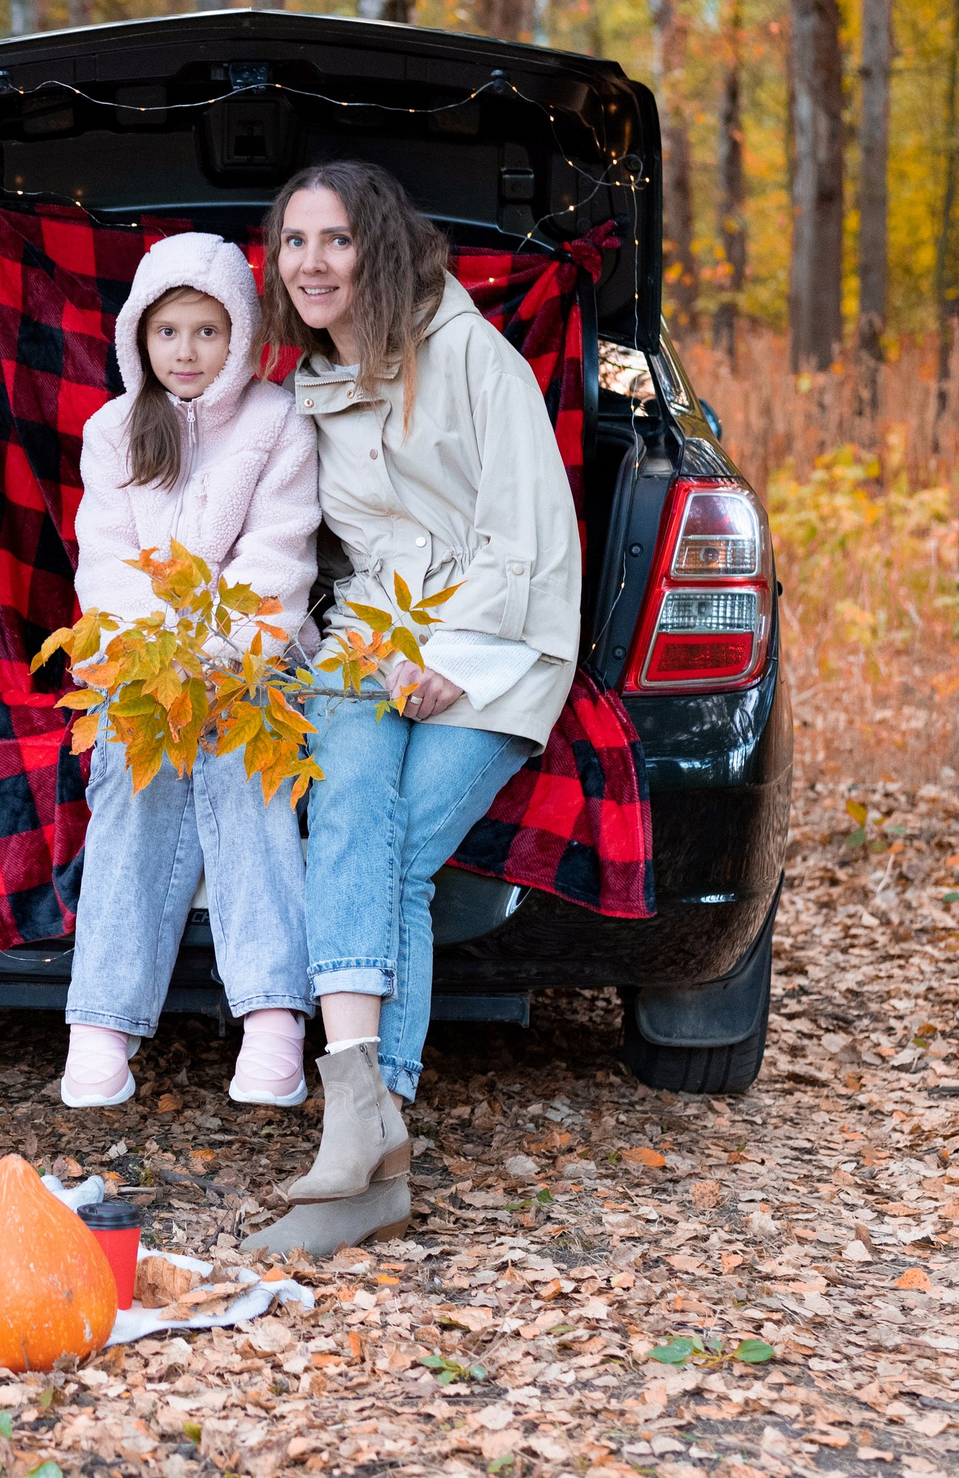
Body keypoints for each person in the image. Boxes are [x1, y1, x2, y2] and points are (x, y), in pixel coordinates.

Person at [245, 162, 582, 1257]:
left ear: (378, 248)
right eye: (293, 242)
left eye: (334, 240)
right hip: (365, 649)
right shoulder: (308, 390)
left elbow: (529, 534)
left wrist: (448, 658)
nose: (310, 263)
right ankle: (369, 1133)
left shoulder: (474, 359)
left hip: (496, 649)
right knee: (346, 799)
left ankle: (368, 1124)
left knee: (388, 850)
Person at [60, 232, 323, 1111]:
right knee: (133, 780)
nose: (186, 351)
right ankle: (100, 1024)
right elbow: (104, 561)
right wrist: (148, 667)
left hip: (254, 660)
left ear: (242, 336)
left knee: (253, 773)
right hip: (140, 666)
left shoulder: (277, 422)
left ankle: (274, 1020)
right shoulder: (112, 430)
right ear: (140, 335)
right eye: (167, 331)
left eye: (207, 332)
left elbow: (278, 562)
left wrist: (217, 663)